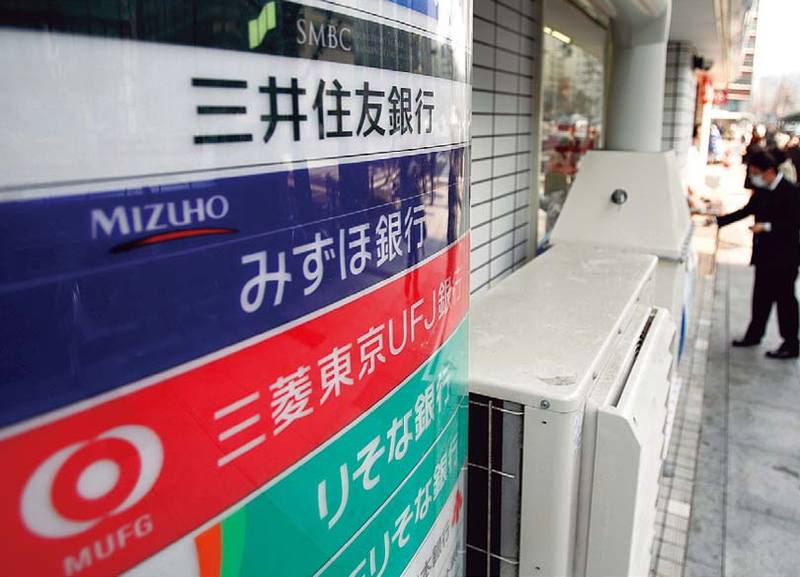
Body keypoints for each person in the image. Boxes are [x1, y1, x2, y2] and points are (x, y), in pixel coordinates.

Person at [709, 150, 800, 358]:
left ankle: (791, 343)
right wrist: (717, 221)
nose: (753, 178)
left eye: (756, 173)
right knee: (760, 297)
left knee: (785, 300)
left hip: (785, 259)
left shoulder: (791, 192)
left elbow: (793, 225)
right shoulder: (762, 191)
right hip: (764, 256)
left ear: (769, 171)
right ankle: (754, 334)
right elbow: (746, 210)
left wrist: (766, 227)